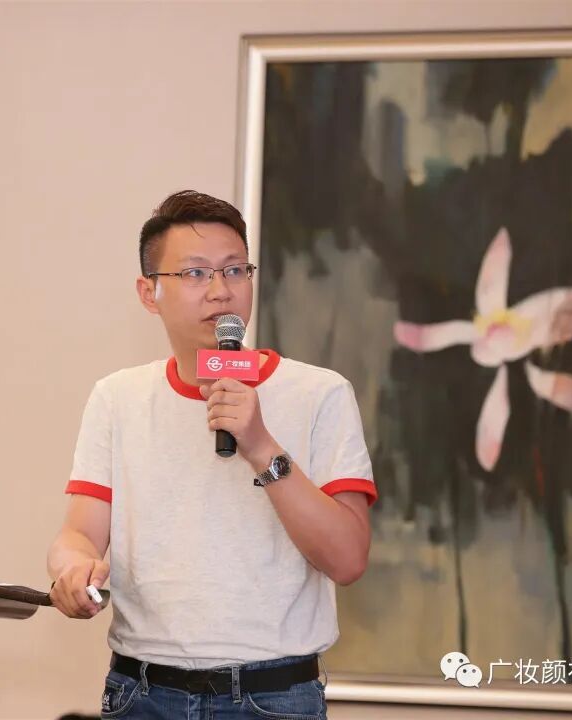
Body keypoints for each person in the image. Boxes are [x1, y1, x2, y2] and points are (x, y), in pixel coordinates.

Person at [46, 190, 377, 719]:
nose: (221, 291)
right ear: (149, 293)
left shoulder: (320, 394)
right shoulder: (118, 398)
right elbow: (80, 534)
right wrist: (72, 569)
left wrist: (260, 445)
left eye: (235, 270)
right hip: (142, 693)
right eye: (195, 273)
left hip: (273, 697)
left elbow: (348, 559)